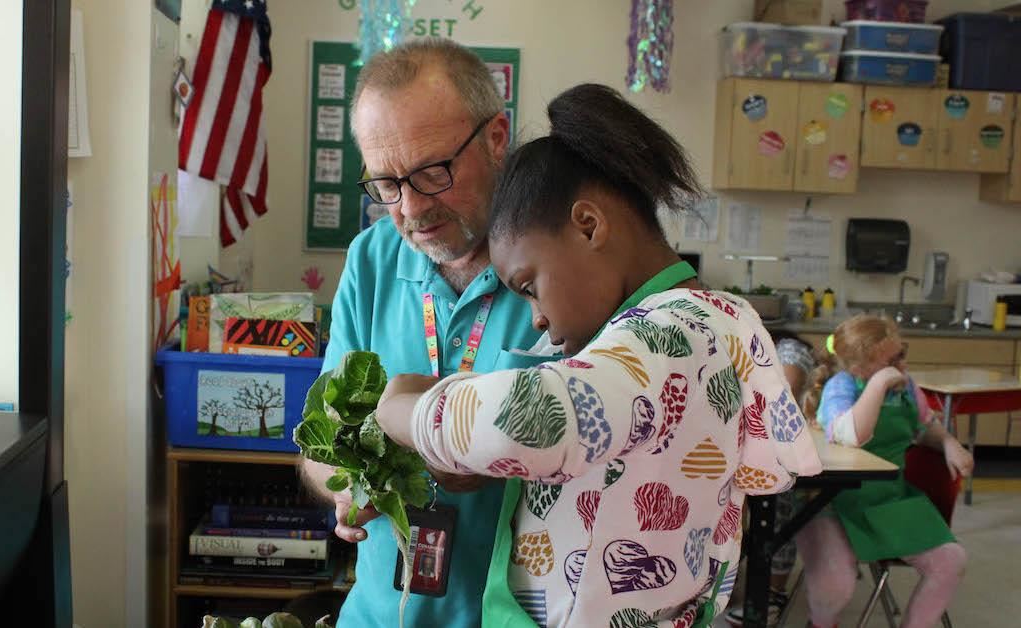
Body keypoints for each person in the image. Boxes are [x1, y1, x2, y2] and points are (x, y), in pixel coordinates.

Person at [374, 83, 823, 627]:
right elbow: (776, 464)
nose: (537, 317)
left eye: (530, 285)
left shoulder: (659, 336)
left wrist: (404, 409)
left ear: (589, 226)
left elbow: (525, 420)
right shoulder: (730, 319)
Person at [297, 38, 545, 627]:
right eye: (385, 185)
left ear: (496, 138)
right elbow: (319, 442)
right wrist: (341, 484)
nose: (409, 209)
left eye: (432, 173)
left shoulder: (557, 255)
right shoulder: (372, 258)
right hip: (378, 615)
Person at [794, 314, 971, 628]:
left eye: (901, 354)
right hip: (831, 503)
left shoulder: (906, 388)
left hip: (889, 499)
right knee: (835, 580)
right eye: (890, 361)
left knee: (951, 560)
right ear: (859, 369)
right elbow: (852, 435)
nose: (900, 366)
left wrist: (946, 441)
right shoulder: (841, 387)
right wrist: (877, 384)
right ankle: (821, 623)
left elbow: (922, 427)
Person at [725, 330, 817, 626]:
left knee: (778, 508)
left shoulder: (789, 350)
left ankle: (773, 592)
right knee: (726, 504)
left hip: (781, 448)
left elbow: (782, 394)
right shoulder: (725, 342)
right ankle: (728, 580)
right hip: (742, 444)